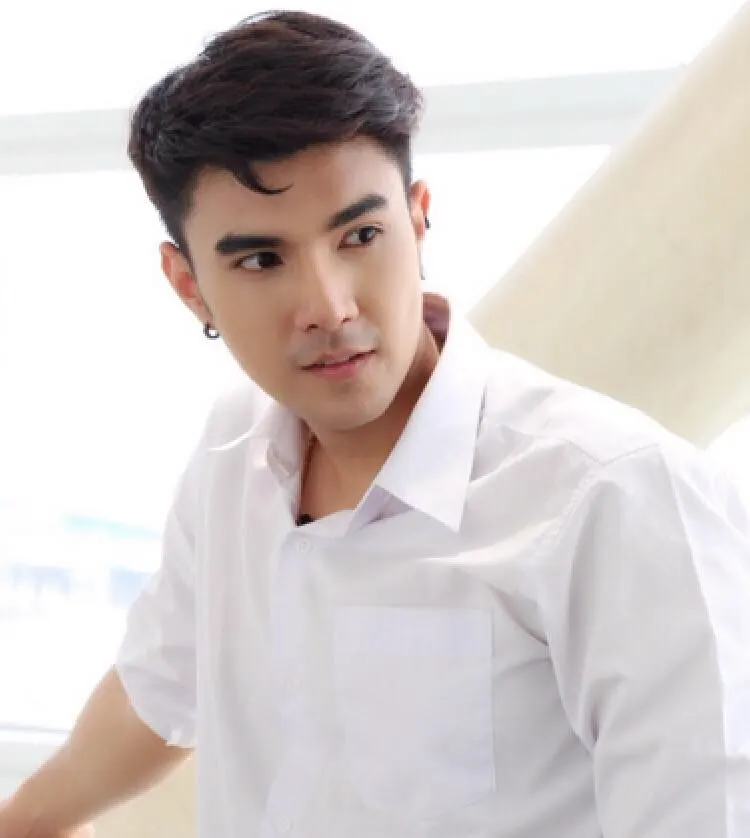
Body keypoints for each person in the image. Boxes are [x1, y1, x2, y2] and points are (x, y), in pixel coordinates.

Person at [2, 10, 749, 838]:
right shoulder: (232, 453)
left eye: (360, 235)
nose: (328, 307)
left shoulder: (618, 496)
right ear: (189, 285)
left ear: (418, 220)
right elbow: (159, 689)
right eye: (261, 259)